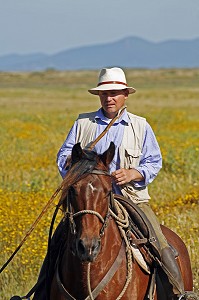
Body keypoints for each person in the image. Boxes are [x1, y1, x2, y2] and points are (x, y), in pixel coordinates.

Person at [33, 67, 186, 299]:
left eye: (114, 93)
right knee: (57, 243)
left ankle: (179, 292)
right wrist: (79, 171)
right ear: (99, 96)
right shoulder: (83, 123)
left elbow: (154, 161)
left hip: (129, 198)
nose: (109, 98)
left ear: (125, 95)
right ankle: (41, 293)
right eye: (105, 94)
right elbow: (64, 155)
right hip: (88, 200)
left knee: (159, 242)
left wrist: (133, 174)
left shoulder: (140, 126)